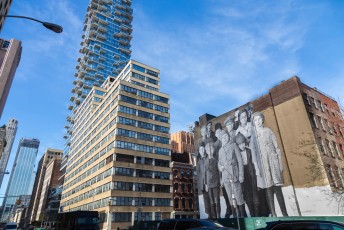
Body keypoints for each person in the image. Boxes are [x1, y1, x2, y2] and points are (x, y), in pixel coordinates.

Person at [251, 112, 288, 217]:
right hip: (263, 166)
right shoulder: (254, 137)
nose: (257, 122)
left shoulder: (268, 131)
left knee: (278, 188)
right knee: (268, 189)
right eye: (255, 120)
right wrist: (257, 169)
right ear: (253, 122)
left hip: (273, 163)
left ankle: (285, 213)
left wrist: (279, 163)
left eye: (259, 119)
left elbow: (276, 148)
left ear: (262, 120)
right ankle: (274, 213)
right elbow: (254, 154)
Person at [235, 132, 266, 217]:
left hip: (251, 174)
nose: (242, 145)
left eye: (243, 143)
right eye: (240, 144)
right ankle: (252, 214)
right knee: (247, 196)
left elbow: (254, 163)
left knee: (255, 194)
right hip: (243, 175)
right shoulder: (237, 155)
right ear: (237, 145)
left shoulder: (249, 151)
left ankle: (257, 214)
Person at [218, 131, 245, 217]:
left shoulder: (233, 146)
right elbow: (219, 163)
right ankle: (235, 218)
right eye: (223, 137)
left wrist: (241, 175)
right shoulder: (220, 150)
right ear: (221, 139)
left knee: (239, 197)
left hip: (235, 175)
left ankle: (242, 217)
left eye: (226, 137)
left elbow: (240, 160)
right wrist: (220, 167)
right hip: (226, 178)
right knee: (230, 198)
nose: (225, 139)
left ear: (229, 138)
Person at [214, 123, 232, 218]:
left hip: (232, 171)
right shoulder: (216, 145)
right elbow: (217, 162)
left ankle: (236, 209)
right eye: (217, 132)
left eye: (220, 131)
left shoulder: (228, 140)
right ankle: (229, 208)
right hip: (222, 172)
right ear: (216, 134)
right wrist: (220, 177)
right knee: (225, 192)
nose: (219, 133)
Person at [205, 142, 221, 219]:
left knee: (217, 200)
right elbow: (205, 173)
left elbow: (219, 171)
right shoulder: (206, 161)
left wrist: (220, 180)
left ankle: (219, 215)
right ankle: (214, 216)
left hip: (216, 182)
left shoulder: (216, 160)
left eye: (211, 149)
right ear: (207, 151)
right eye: (208, 150)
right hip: (209, 183)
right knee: (211, 201)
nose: (210, 151)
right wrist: (206, 184)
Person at [196, 142, 211, 218]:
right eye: (200, 150)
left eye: (202, 149)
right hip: (202, 184)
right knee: (206, 200)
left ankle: (213, 214)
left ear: (205, 149)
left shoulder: (208, 158)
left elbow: (208, 172)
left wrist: (207, 184)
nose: (201, 151)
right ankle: (209, 214)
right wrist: (201, 184)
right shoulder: (199, 161)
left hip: (209, 183)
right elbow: (199, 174)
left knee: (211, 198)